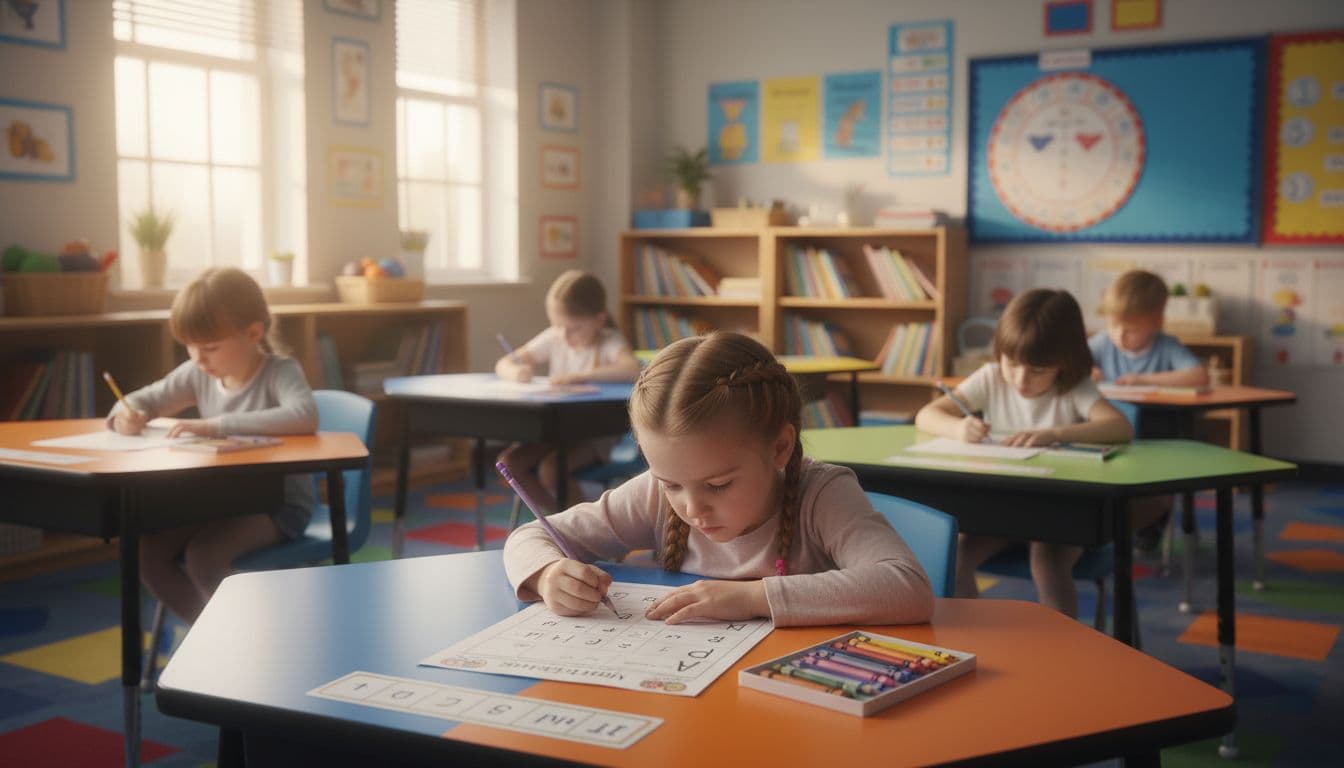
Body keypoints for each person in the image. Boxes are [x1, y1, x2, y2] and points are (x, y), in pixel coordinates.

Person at [503, 331, 934, 626]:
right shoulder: (654, 496)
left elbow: (906, 587)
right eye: (671, 483)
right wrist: (547, 574)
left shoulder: (821, 494)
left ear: (780, 448)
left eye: (718, 485)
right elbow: (530, 535)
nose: (692, 509)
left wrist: (751, 598)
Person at [108, 267, 317, 623]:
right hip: (216, 502)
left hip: (278, 506)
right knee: (149, 552)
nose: (198, 358)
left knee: (204, 556)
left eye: (210, 347)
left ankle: (241, 639)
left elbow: (305, 415)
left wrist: (216, 426)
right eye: (189, 346)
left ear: (253, 333)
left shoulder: (279, 372)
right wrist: (125, 415)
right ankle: (210, 635)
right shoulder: (197, 373)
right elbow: (141, 399)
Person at [914, 289, 1132, 617]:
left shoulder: (1072, 387)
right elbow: (927, 415)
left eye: (1038, 370)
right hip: (1002, 510)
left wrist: (1054, 435)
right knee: (953, 559)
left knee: (1047, 563)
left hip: (1061, 513)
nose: (1021, 379)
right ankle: (984, 642)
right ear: (1000, 352)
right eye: (1012, 364)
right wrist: (959, 428)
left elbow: (1119, 427)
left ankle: (1062, 658)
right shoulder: (991, 378)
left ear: (1064, 363)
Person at [495, 269, 640, 512]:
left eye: (574, 328)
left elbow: (632, 369)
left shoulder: (608, 341)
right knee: (508, 463)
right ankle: (558, 522)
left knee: (551, 470)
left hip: (596, 434)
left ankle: (589, 530)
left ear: (599, 319)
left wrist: (579, 377)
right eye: (558, 326)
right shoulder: (556, 337)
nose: (565, 336)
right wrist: (516, 372)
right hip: (556, 430)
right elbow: (505, 363)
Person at [1089, 269, 1208, 551]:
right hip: (1112, 436)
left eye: (1131, 329)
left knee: (1159, 476)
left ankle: (1150, 525)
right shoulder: (1102, 342)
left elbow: (1198, 376)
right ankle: (1109, 522)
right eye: (1114, 325)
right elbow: (1073, 363)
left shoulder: (1166, 346)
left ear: (1157, 322)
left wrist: (1142, 379)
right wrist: (1087, 370)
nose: (1120, 336)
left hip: (1155, 438)